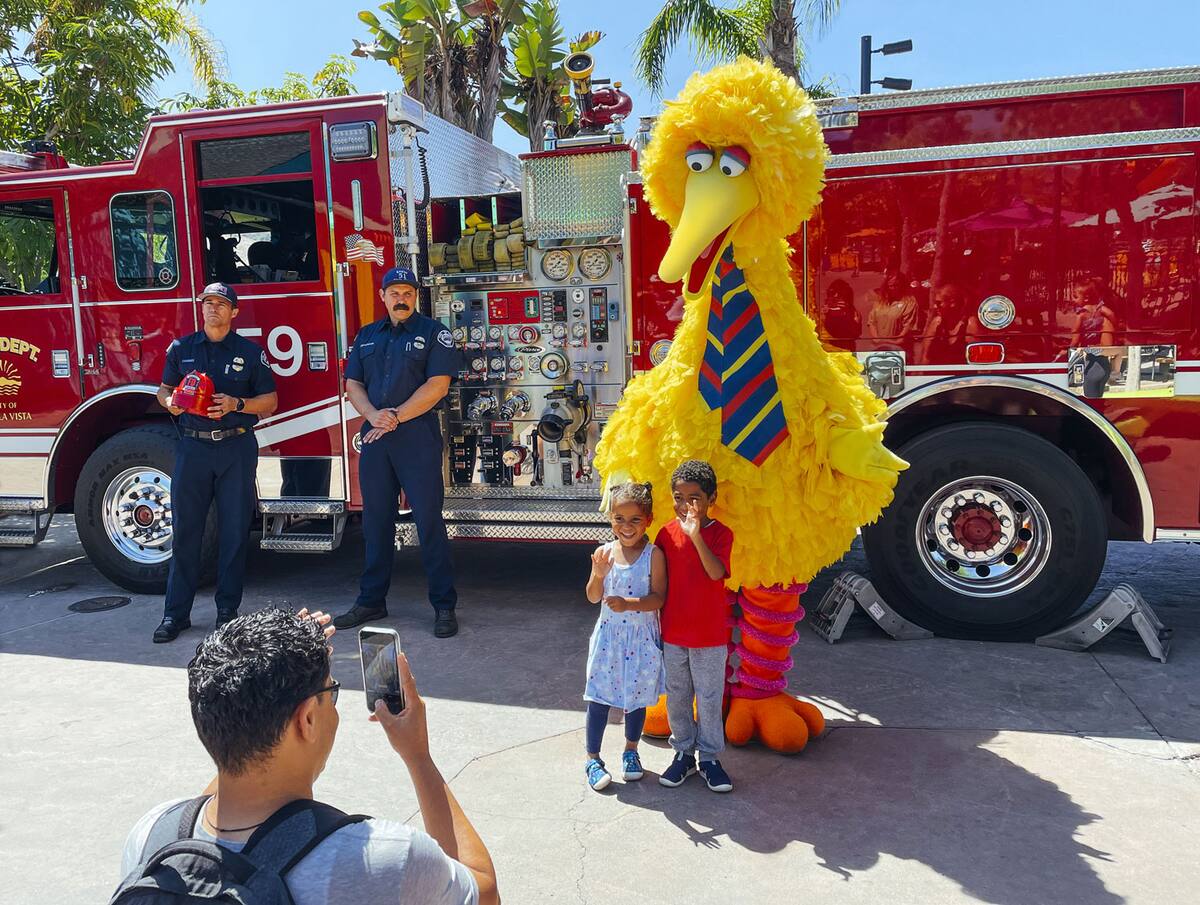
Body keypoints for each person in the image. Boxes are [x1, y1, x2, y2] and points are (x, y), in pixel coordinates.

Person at [116, 607, 499, 905]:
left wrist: (264, 682)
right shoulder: (382, 862)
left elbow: (235, 756)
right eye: (331, 692)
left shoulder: (152, 837)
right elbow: (483, 890)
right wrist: (418, 757)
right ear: (308, 720)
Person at [333, 267, 464, 638]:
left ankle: (443, 605)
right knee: (375, 522)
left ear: (415, 296)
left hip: (417, 436)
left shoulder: (434, 334)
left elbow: (437, 386)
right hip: (376, 436)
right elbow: (353, 383)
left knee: (429, 522)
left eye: (407, 292)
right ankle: (371, 600)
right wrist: (374, 416)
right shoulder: (367, 336)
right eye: (394, 293)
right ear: (383, 297)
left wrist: (394, 417)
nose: (401, 299)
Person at [154, 282, 277, 643]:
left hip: (235, 449)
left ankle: (227, 612)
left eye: (221, 304)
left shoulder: (250, 353)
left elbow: (269, 400)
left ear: (233, 312)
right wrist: (169, 401)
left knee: (234, 532)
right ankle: (175, 615)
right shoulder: (182, 348)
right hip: (192, 449)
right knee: (187, 533)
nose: (213, 309)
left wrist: (237, 404)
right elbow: (164, 389)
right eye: (208, 303)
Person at [654, 460, 735, 793]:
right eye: (680, 497)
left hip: (710, 636)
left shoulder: (721, 534)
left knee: (710, 697)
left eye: (695, 497)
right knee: (677, 697)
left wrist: (696, 536)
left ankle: (710, 758)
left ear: (711, 498)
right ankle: (684, 753)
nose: (687, 505)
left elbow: (716, 573)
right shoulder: (664, 533)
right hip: (674, 633)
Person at [582, 481, 667, 791]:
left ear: (649, 519)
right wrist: (599, 575)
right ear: (610, 519)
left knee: (636, 699)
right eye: (619, 518)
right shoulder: (604, 553)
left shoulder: (653, 555)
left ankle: (631, 751)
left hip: (641, 640)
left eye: (635, 519)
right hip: (608, 641)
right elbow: (592, 596)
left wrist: (629, 604)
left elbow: (659, 597)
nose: (626, 526)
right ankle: (592, 758)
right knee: (599, 699)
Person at [866, 269, 919, 343]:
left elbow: (909, 324)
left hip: (899, 346)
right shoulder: (880, 300)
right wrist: (876, 338)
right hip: (878, 345)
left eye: (896, 285)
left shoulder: (909, 301)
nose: (893, 288)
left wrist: (898, 340)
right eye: (890, 286)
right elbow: (872, 322)